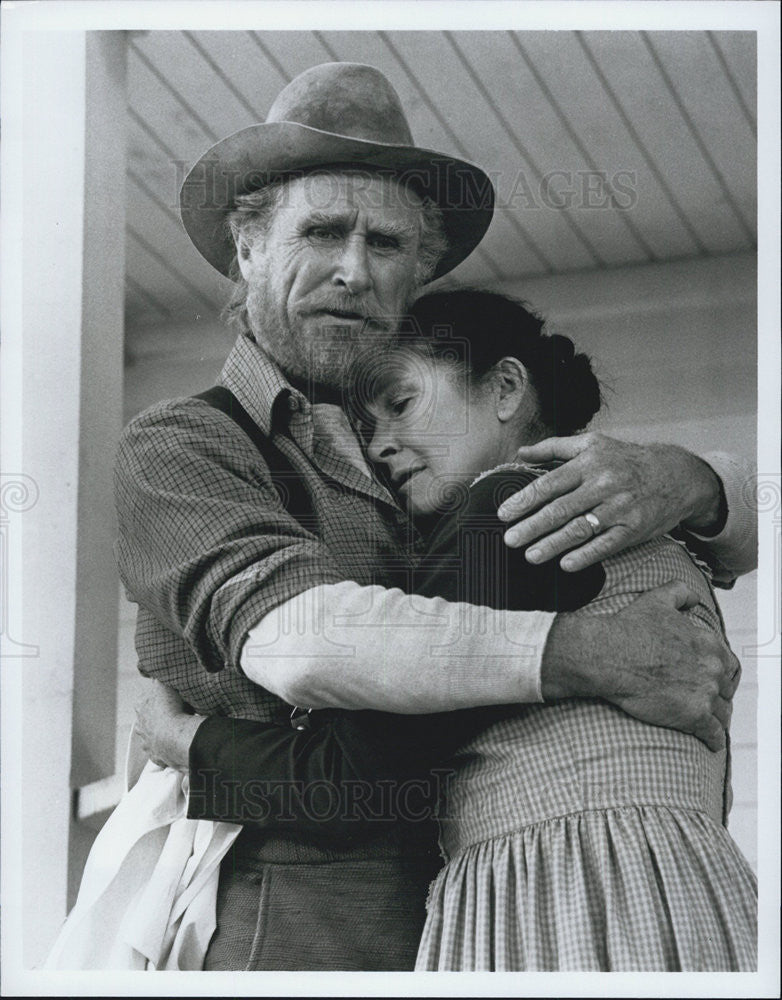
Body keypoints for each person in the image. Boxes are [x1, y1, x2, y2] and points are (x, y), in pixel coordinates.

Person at [116, 62, 752, 971]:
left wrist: (698, 479)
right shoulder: (183, 443)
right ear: (247, 249)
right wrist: (581, 655)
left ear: (420, 273)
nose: (353, 270)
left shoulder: (478, 471)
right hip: (302, 918)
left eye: (387, 244)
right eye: (324, 232)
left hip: (494, 909)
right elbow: (306, 643)